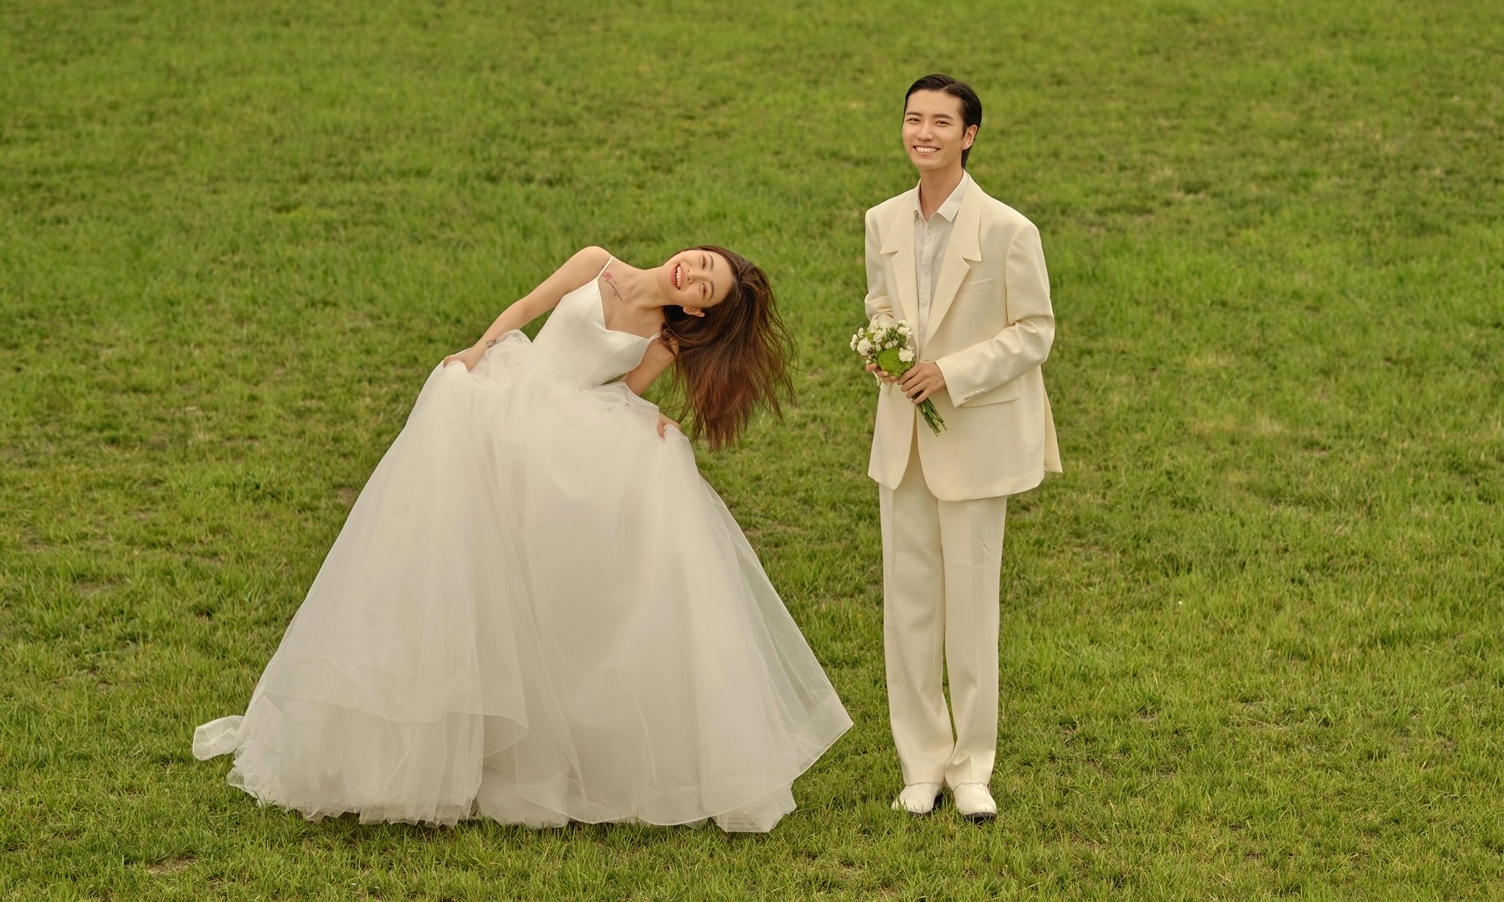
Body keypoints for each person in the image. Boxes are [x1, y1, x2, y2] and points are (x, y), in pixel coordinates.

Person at [193, 246, 851, 832]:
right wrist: (478, 351)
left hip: (566, 428)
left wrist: (657, 423)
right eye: (701, 264)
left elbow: (624, 394)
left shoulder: (665, 337)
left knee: (540, 565)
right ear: (691, 251)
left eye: (704, 288)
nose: (693, 276)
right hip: (513, 390)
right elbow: (528, 308)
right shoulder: (597, 264)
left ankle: (520, 735)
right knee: (449, 532)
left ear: (698, 311)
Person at [863, 75, 1060, 821]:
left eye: (941, 122)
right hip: (903, 442)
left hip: (974, 439)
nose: (924, 132)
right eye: (914, 118)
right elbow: (881, 302)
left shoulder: (1009, 229)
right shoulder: (882, 219)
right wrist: (882, 349)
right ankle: (920, 763)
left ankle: (973, 767)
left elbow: (1035, 331)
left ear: (968, 136)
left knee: (972, 611)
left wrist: (951, 371)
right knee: (908, 609)